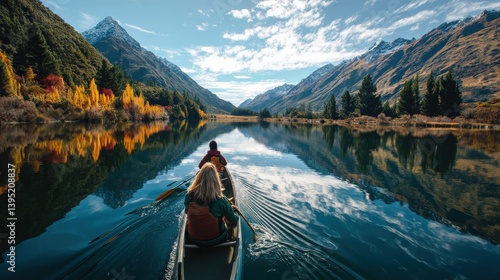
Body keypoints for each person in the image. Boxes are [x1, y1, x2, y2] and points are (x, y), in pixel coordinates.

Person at [184, 162, 239, 246]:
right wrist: (234, 210)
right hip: (218, 240)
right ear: (216, 179)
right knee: (227, 220)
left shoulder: (189, 195)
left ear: (198, 178)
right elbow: (234, 220)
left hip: (194, 240)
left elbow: (186, 211)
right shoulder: (221, 199)